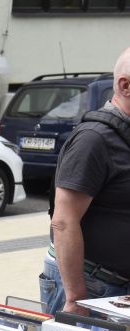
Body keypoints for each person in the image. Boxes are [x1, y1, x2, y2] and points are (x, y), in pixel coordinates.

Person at [41, 47, 130, 316]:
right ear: (126, 86)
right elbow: (64, 220)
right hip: (92, 287)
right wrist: (76, 299)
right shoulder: (94, 139)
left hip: (116, 288)